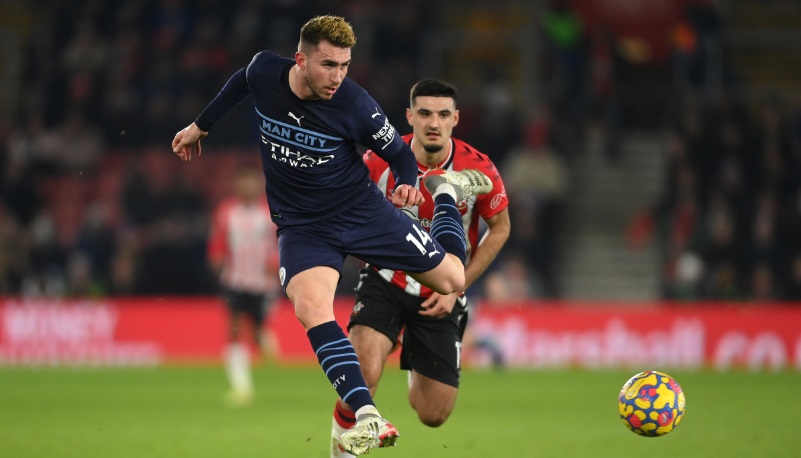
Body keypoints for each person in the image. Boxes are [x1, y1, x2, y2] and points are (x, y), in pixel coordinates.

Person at [171, 16, 492, 456]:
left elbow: (400, 155)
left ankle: (447, 193)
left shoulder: (355, 103)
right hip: (304, 228)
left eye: (344, 65)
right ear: (300, 60)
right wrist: (200, 125)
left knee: (453, 278)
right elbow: (240, 83)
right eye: (328, 65)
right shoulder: (265, 71)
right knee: (311, 308)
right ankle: (367, 414)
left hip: (363, 215)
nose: (338, 76)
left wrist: (407, 183)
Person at [329, 78, 511, 457]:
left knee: (433, 413)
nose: (434, 122)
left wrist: (458, 287)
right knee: (361, 377)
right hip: (385, 281)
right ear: (409, 116)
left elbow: (501, 228)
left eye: (443, 115)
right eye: (425, 113)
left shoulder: (478, 169)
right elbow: (346, 213)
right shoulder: (378, 160)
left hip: (442, 292)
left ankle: (411, 343)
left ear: (456, 119)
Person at [207, 164, 279, 406]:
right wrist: (216, 259)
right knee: (235, 329)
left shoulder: (270, 211)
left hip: (263, 284)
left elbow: (283, 240)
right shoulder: (226, 211)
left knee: (258, 333)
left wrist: (276, 263)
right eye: (243, 181)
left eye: (252, 181)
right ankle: (241, 389)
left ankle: (266, 347)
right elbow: (218, 241)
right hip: (235, 280)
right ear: (236, 184)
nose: (248, 185)